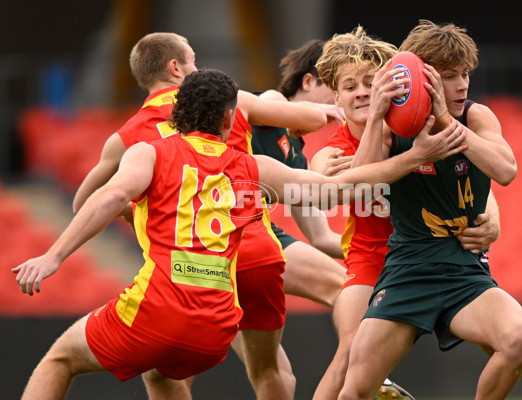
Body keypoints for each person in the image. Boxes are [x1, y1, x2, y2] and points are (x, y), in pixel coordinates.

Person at [13, 68, 468, 400]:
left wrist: (54, 257)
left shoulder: (149, 152)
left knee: (60, 358)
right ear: (231, 118)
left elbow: (108, 199)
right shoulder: (254, 166)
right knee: (163, 376)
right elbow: (332, 193)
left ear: (178, 113)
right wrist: (413, 158)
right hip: (217, 325)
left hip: (158, 308)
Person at [336, 20, 522, 399]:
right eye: (451, 76)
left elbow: (505, 171)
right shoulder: (391, 125)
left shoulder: (475, 116)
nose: (463, 85)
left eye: (465, 74)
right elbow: (359, 185)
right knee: (355, 386)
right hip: (408, 270)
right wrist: (376, 117)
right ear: (423, 78)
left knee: (521, 341)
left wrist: (443, 118)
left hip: (463, 271)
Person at [70, 32, 328, 400]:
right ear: (175, 67)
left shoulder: (128, 138)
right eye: (193, 59)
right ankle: (363, 373)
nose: (198, 66)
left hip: (189, 264)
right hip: (251, 246)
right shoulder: (230, 101)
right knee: (274, 363)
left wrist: (140, 208)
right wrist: (327, 108)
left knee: (172, 367)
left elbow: (85, 202)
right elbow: (311, 117)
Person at [309, 26, 502, 400]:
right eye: (351, 87)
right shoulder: (333, 152)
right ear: (336, 97)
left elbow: (474, 181)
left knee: (518, 350)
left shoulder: (418, 126)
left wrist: (492, 219)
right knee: (349, 353)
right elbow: (327, 191)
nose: (364, 92)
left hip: (428, 253)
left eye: (371, 81)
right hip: (371, 257)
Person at [251, 39, 347, 309]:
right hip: (226, 231)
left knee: (264, 353)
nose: (340, 102)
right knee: (345, 289)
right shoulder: (271, 101)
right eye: (339, 90)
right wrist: (315, 112)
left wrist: (391, 249)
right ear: (308, 82)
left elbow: (323, 239)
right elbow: (261, 109)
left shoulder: (298, 159)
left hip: (259, 234)